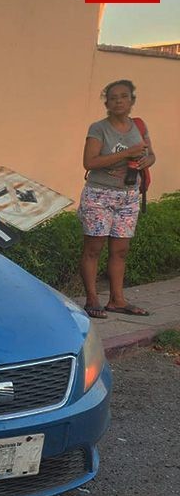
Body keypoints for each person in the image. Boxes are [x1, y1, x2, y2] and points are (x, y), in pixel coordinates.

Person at [78, 79, 156, 319]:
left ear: (132, 100)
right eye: (113, 98)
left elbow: (151, 154)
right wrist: (127, 153)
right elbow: (90, 163)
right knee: (94, 247)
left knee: (121, 250)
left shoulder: (139, 127)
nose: (119, 101)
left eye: (124, 96)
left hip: (129, 195)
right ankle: (92, 299)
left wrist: (146, 160)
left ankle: (117, 300)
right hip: (100, 194)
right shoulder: (99, 128)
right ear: (107, 103)